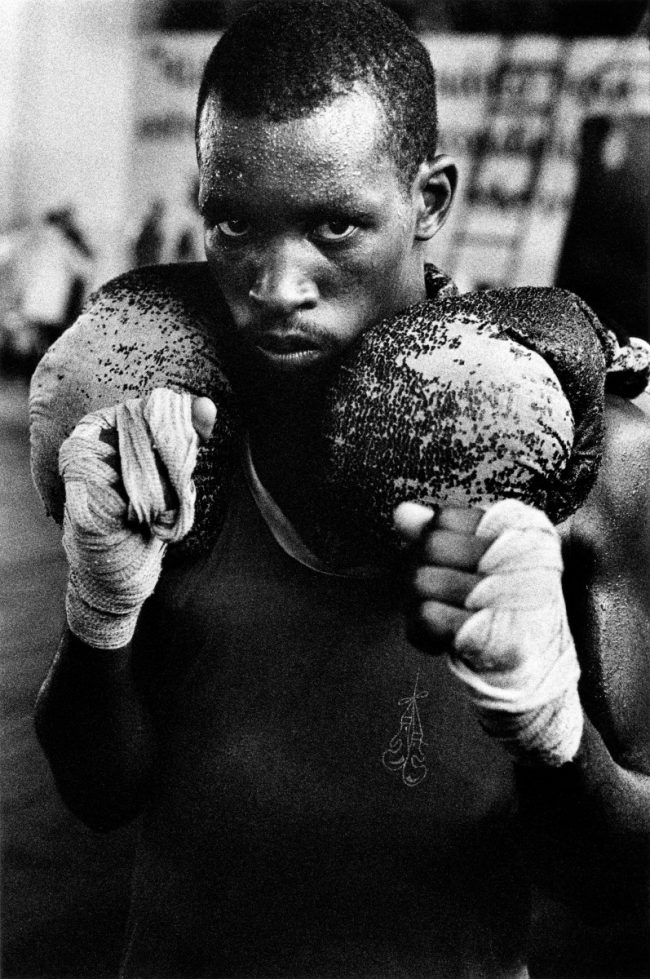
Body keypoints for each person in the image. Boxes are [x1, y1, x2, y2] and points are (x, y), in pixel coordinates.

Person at [33, 2, 650, 977]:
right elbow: (100, 794)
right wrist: (97, 619)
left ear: (430, 199)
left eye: (334, 225)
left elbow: (618, 885)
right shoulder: (161, 427)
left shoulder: (594, 461)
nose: (277, 282)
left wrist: (550, 728)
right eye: (234, 221)